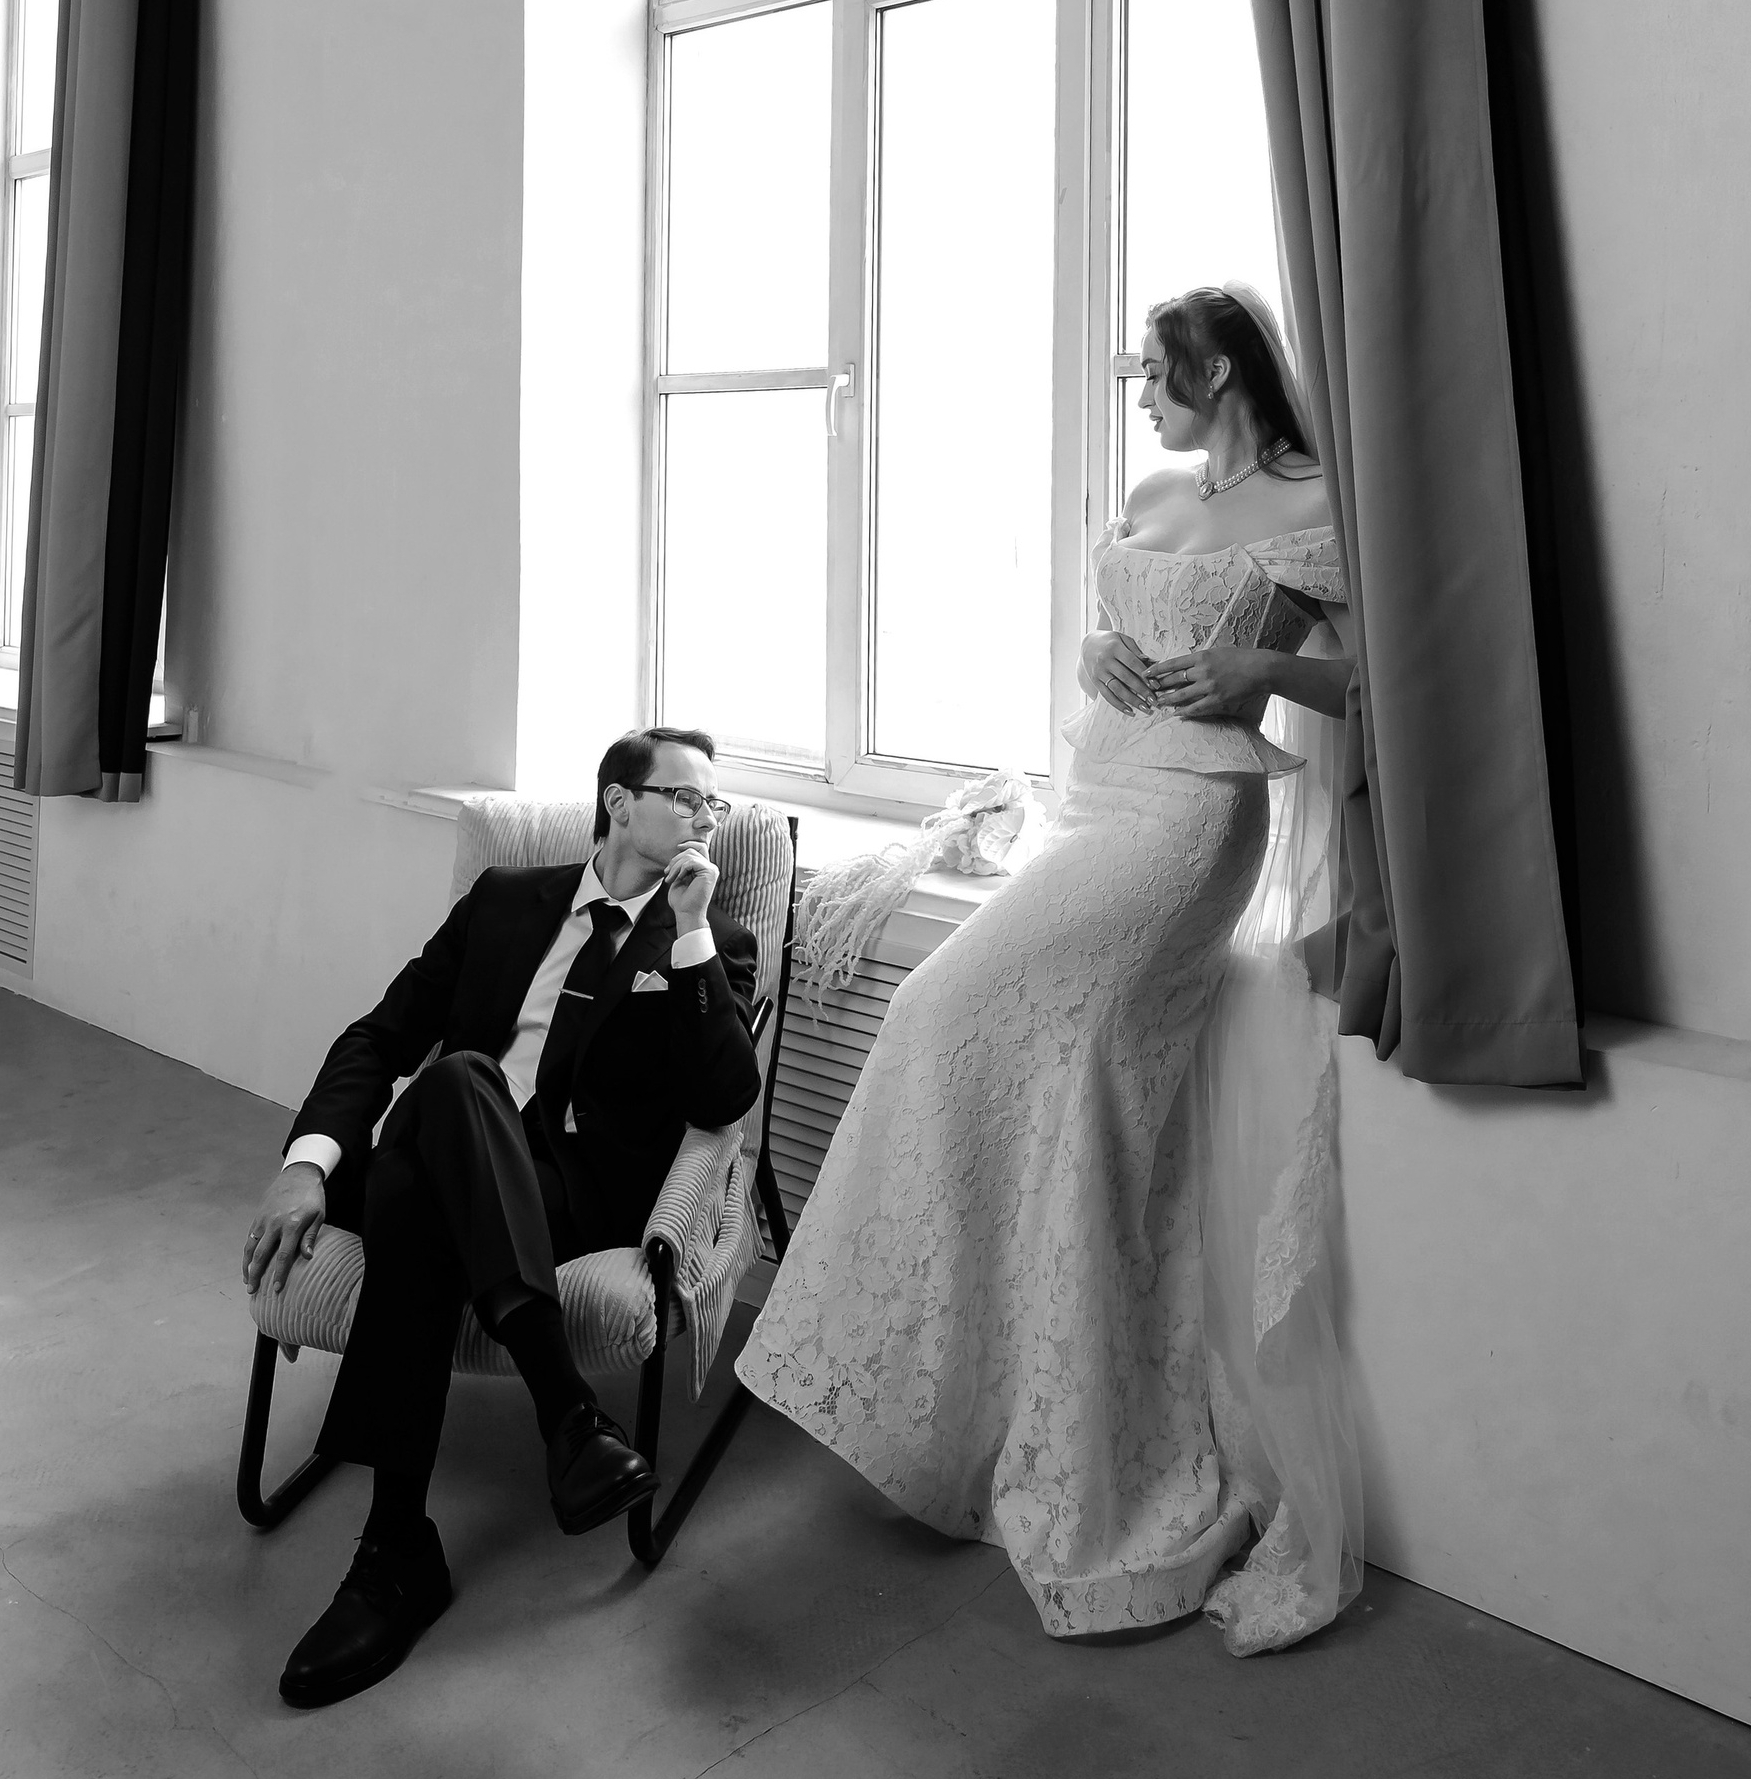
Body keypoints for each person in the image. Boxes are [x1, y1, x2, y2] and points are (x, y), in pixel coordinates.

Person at [738, 283, 1363, 1653]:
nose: (1139, 393)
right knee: (1075, 1102)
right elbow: (1115, 626)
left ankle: (1079, 1446)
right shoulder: (1156, 489)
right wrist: (1093, 648)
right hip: (1100, 797)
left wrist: (1262, 666)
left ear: (1217, 368)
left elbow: (1383, 673)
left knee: (935, 1008)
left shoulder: (1316, 502)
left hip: (1190, 823)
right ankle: (1016, 1411)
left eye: (1153, 370)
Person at [242, 725, 760, 1707]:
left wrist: (690, 932)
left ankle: (397, 1546)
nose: (708, 817)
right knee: (456, 1087)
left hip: (564, 1197)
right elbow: (381, 1034)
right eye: (688, 797)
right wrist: (307, 1166)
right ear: (619, 802)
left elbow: (726, 1103)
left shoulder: (711, 941)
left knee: (429, 1146)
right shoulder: (504, 899)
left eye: (716, 804)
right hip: (453, 1146)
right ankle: (566, 1410)